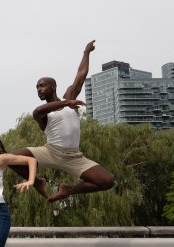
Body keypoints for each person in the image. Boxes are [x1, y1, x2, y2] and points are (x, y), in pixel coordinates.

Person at [10, 39, 116, 202]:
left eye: (42, 85)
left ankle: (67, 190)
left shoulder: (70, 97)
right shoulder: (45, 113)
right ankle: (38, 183)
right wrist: (67, 102)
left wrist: (86, 52)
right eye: (37, 87)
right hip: (50, 152)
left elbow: (81, 75)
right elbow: (37, 111)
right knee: (11, 158)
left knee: (107, 181)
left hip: (74, 156)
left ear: (53, 86)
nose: (39, 89)